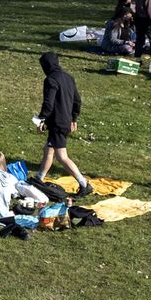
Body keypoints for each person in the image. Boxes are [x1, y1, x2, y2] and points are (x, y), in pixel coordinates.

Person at [34, 52, 92, 197]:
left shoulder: (51, 80)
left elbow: (49, 103)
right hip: (65, 121)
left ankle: (84, 184)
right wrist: (74, 118)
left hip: (57, 123)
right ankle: (39, 178)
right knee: (49, 149)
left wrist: (41, 118)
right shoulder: (68, 78)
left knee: (62, 156)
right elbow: (77, 100)